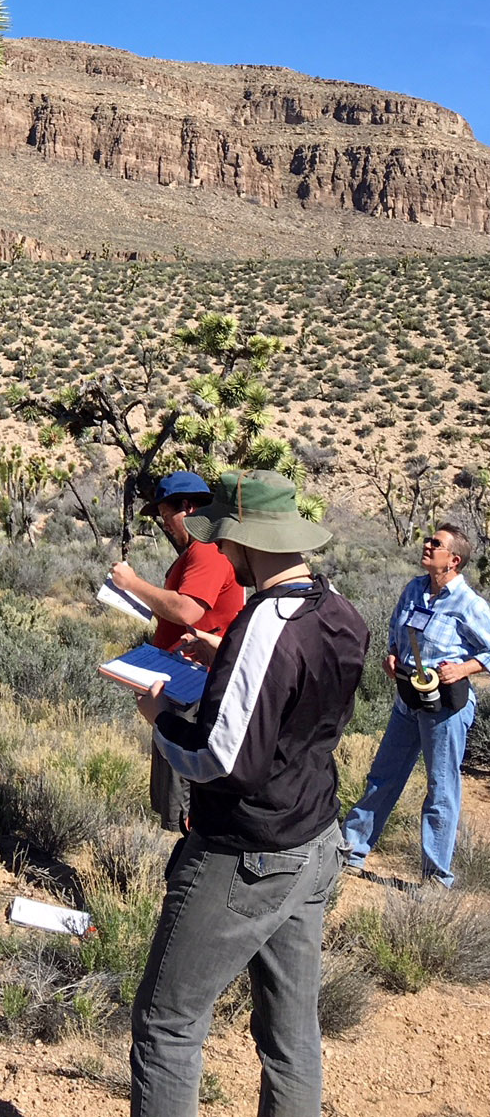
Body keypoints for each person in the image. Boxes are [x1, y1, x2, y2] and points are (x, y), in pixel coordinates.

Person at [130, 471, 368, 1117]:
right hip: (314, 836)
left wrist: (162, 720)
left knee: (167, 1025)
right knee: (290, 1035)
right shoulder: (339, 609)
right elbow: (298, 710)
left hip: (245, 850)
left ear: (240, 536)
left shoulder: (268, 620)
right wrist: (224, 657)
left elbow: (219, 758)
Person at [341, 520, 490, 888]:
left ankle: (436, 878)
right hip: (407, 697)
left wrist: (464, 667)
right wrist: (393, 656)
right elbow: (396, 630)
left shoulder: (469, 604)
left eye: (435, 543)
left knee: (441, 788)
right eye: (427, 540)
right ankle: (351, 851)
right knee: (383, 776)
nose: (426, 545)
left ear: (453, 560)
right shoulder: (414, 589)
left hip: (446, 708)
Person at [111, 470, 246, 832]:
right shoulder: (196, 552)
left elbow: (188, 610)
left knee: (182, 788)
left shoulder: (205, 551)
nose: (163, 523)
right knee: (173, 782)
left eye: (165, 513)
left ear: (186, 507)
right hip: (181, 678)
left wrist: (134, 584)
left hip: (191, 685)